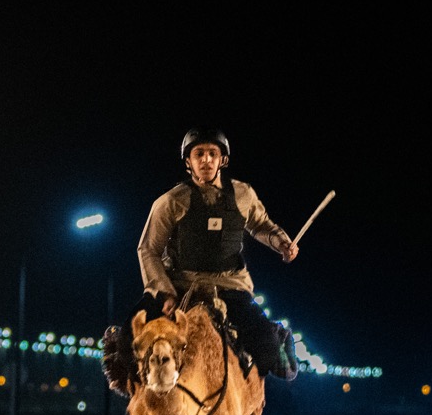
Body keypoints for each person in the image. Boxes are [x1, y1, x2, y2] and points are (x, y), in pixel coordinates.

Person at [105, 128, 299, 393]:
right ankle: (140, 396)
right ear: (189, 161)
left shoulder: (243, 194)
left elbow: (262, 225)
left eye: (212, 154)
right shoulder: (171, 201)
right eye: (199, 154)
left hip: (231, 286)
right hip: (181, 284)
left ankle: (271, 353)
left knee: (267, 348)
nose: (206, 160)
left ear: (222, 160)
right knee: (128, 337)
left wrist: (282, 243)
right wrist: (164, 293)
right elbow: (148, 249)